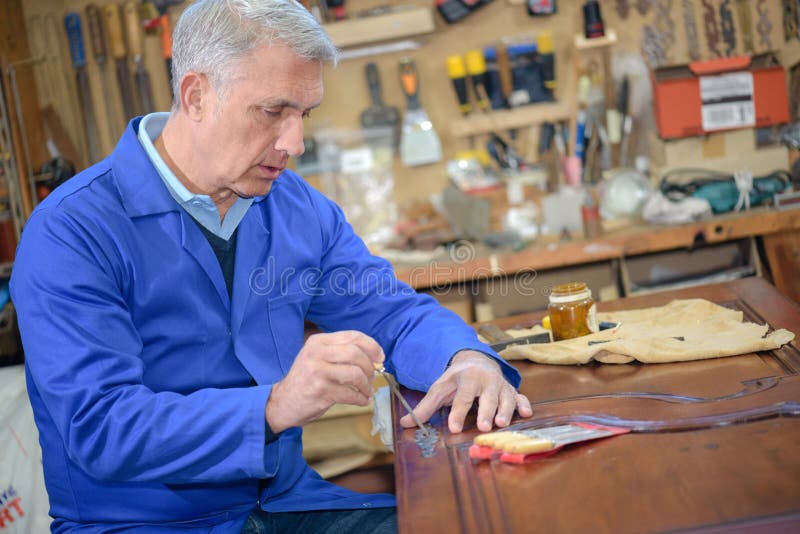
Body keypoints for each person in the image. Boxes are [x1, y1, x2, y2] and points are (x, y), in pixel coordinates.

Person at [10, 1, 532, 532]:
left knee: (474, 521)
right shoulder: (72, 231)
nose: (295, 144)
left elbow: (392, 313)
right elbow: (101, 427)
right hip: (143, 523)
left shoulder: (296, 208)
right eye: (272, 112)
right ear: (196, 96)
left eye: (303, 115)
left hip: (285, 505)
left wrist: (466, 358)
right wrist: (273, 407)